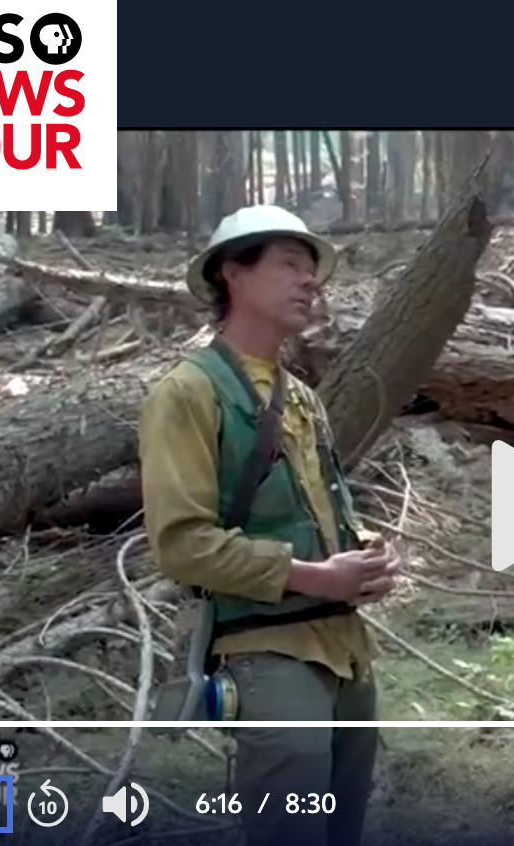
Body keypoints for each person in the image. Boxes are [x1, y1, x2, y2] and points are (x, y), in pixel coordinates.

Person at [138, 204, 401, 846]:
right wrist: (315, 576)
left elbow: (317, 508)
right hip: (266, 656)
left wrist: (365, 558)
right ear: (233, 272)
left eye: (314, 272)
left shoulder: (302, 396)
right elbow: (181, 544)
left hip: (344, 651)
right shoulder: (188, 392)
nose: (309, 282)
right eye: (290, 265)